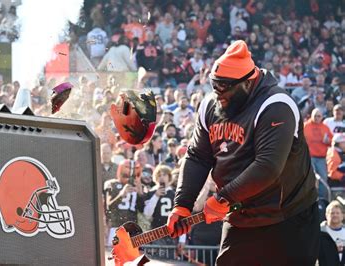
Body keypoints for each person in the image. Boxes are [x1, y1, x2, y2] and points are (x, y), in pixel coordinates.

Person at [167, 40, 319, 265]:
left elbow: (268, 166)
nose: (218, 93)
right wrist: (183, 203)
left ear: (248, 83)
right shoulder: (210, 106)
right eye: (214, 85)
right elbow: (197, 156)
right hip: (241, 216)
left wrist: (223, 198)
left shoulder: (276, 104)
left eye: (225, 86)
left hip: (287, 217)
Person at [104, 159, 144, 246]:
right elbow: (109, 207)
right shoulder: (112, 184)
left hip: (132, 229)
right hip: (116, 227)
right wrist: (121, 195)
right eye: (127, 174)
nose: (130, 177)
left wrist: (141, 194)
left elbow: (142, 210)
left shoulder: (139, 185)